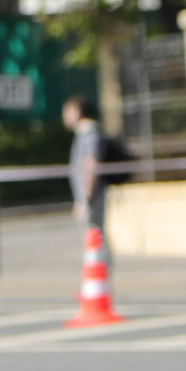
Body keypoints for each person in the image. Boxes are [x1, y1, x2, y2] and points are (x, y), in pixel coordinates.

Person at [64, 95, 126, 256]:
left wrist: (85, 198)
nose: (65, 116)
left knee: (95, 236)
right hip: (89, 196)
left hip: (93, 196)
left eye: (68, 111)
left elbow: (92, 165)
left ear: (77, 112)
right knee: (92, 237)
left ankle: (100, 267)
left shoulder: (90, 134)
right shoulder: (83, 134)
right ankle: (96, 266)